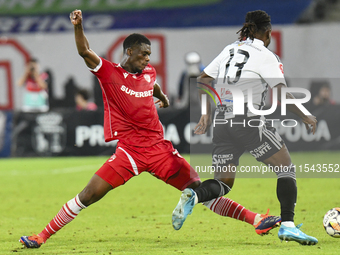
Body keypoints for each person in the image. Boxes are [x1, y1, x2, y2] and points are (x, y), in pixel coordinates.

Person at [19, 9, 280, 249]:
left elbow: (151, 85)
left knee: (198, 191)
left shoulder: (149, 73)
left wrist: (163, 97)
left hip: (159, 151)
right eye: (143, 53)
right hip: (129, 152)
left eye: (149, 55)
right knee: (88, 194)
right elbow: (85, 51)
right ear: (129, 51)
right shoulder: (109, 73)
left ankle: (256, 220)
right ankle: (41, 236)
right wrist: (78, 26)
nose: (147, 59)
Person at [172, 10, 318, 245]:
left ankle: (195, 195)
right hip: (248, 120)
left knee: (223, 183)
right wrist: (306, 115)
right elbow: (280, 94)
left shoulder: (229, 49)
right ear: (268, 33)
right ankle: (288, 226)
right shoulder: (266, 55)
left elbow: (203, 79)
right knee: (286, 168)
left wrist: (205, 114)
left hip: (222, 122)